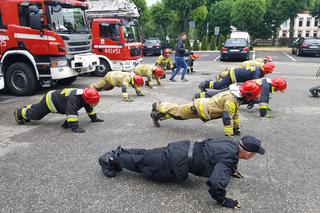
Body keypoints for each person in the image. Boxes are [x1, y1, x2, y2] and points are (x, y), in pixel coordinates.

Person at [98, 135, 265, 209]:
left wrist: (231, 170)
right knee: (143, 164)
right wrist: (222, 200)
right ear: (247, 153)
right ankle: (109, 159)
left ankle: (120, 152)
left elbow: (216, 153)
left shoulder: (230, 142)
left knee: (146, 154)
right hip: (175, 162)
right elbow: (216, 183)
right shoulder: (227, 162)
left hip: (181, 148)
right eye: (254, 154)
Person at [150, 80, 261, 136]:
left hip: (203, 108)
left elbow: (235, 115)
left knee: (178, 115)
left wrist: (236, 129)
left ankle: (158, 116)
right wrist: (229, 135)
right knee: (177, 112)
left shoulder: (237, 98)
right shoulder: (232, 99)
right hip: (199, 108)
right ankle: (157, 105)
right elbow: (227, 117)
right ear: (248, 95)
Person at [14, 88, 102, 133]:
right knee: (37, 115)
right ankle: (19, 113)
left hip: (55, 96)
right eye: (92, 103)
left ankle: (28, 108)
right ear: (86, 99)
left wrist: (94, 118)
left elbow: (89, 107)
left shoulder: (84, 95)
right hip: (51, 101)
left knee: (38, 108)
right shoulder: (74, 98)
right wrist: (74, 127)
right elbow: (71, 112)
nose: (93, 105)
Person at [195, 77, 287, 117]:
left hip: (241, 88)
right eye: (278, 89)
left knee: (219, 95)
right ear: (276, 86)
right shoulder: (266, 86)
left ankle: (201, 96)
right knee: (217, 96)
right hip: (239, 89)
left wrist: (252, 101)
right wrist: (263, 114)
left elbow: (257, 96)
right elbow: (263, 104)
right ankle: (199, 96)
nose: (277, 91)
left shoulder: (266, 82)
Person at [199, 63, 275, 91]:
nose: (268, 73)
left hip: (234, 74)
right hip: (233, 75)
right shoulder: (257, 73)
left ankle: (206, 83)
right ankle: (205, 84)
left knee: (222, 87)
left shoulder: (258, 70)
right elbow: (255, 84)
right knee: (221, 86)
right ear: (266, 71)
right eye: (268, 72)